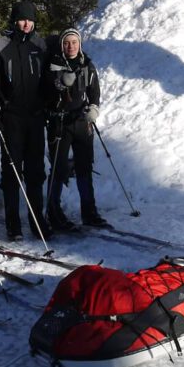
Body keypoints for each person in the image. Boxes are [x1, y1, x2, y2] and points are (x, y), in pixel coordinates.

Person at [0, 0, 51, 241]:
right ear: (14, 20)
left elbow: (48, 81)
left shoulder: (40, 45)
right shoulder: (1, 46)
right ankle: (13, 224)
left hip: (36, 119)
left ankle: (37, 221)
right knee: (12, 172)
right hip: (12, 118)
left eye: (30, 20)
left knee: (36, 172)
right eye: (22, 19)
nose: (26, 24)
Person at [44, 27, 111, 230]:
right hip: (59, 123)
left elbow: (94, 91)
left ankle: (89, 212)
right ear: (62, 45)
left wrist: (94, 108)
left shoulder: (86, 65)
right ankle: (53, 212)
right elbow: (43, 94)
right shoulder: (52, 65)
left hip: (81, 122)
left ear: (79, 44)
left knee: (84, 165)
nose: (71, 46)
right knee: (59, 168)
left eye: (74, 42)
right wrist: (57, 88)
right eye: (67, 43)